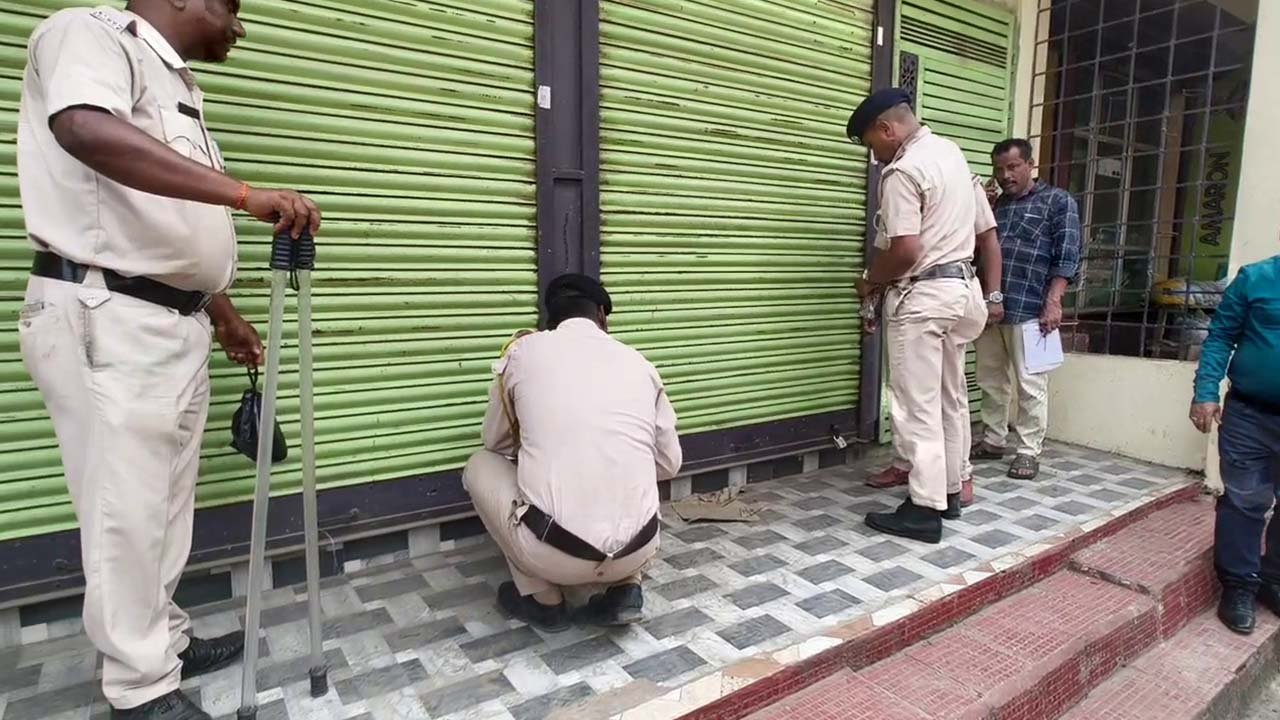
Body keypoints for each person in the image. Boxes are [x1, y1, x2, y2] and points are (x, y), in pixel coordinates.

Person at [17, 3, 321, 719]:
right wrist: (246, 195)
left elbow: (166, 228)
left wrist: (221, 313)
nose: (238, 27)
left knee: (160, 506)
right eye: (232, 8)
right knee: (126, 511)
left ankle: (162, 643)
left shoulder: (174, 82)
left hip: (164, 318)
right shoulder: (86, 35)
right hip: (105, 315)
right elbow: (83, 129)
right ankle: (140, 690)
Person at [463, 274, 683, 631]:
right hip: (640, 548)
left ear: (550, 319)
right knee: (632, 463)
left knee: (478, 465)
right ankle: (626, 588)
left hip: (553, 555)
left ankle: (542, 598)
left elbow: (496, 443)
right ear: (602, 315)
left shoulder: (522, 354)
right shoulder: (640, 363)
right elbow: (670, 463)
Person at [849, 89, 988, 543]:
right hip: (963, 292)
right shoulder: (950, 152)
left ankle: (923, 509)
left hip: (925, 298)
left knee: (916, 407)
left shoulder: (903, 171)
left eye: (872, 144)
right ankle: (948, 493)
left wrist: (871, 279)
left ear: (887, 129)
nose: (875, 157)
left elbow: (906, 249)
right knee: (950, 399)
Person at [866, 173, 1004, 513]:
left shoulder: (916, 175)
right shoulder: (941, 173)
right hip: (942, 296)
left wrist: (995, 295)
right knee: (930, 394)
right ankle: (947, 484)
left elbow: (987, 239)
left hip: (930, 297)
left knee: (925, 400)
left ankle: (930, 501)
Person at [972, 139, 1081, 480]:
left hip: (1033, 307)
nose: (1005, 175)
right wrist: (983, 209)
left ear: (1030, 165)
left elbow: (1068, 256)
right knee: (990, 379)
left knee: (1030, 383)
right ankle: (993, 440)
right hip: (990, 305)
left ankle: (1028, 450)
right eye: (999, 169)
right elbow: (975, 251)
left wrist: (1054, 301)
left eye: (1013, 167)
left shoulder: (1057, 201)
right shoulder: (995, 205)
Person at [1189, 252, 1280, 636]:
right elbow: (1221, 336)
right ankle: (1239, 586)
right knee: (1245, 499)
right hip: (1249, 414)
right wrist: (1206, 392)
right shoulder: (1256, 278)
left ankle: (1272, 580)